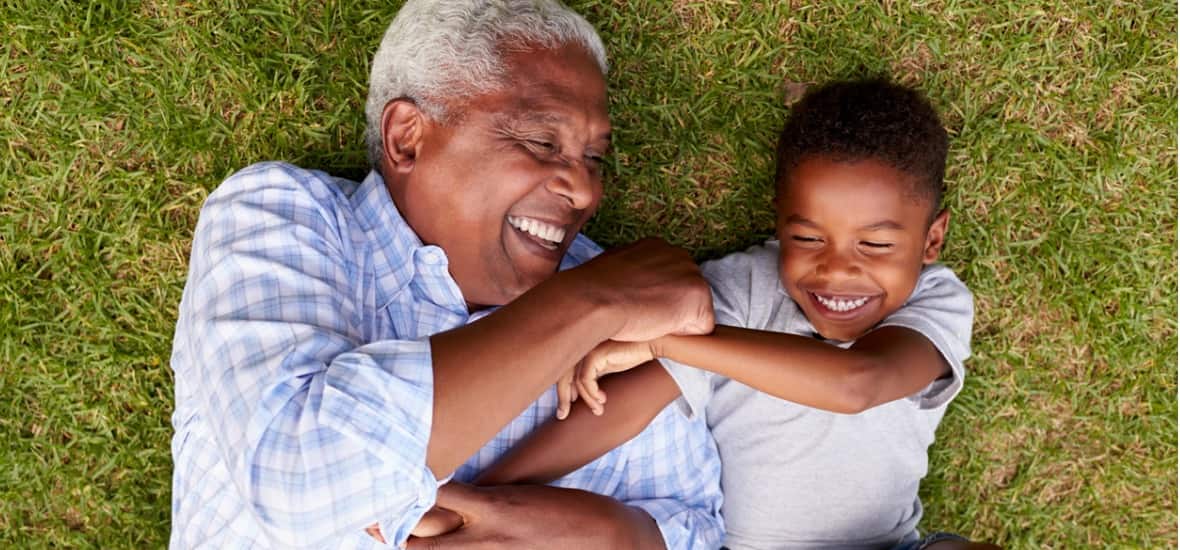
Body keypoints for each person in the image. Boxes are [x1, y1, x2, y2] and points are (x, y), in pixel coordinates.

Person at [168, 1, 724, 548]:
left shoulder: (619, 304)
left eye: (594, 158)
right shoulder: (280, 217)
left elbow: (693, 522)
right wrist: (587, 304)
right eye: (540, 142)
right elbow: (300, 482)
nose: (584, 191)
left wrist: (613, 536)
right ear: (407, 137)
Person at [475, 79, 999, 549]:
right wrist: (480, 495)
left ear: (932, 240)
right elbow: (621, 409)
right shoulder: (744, 290)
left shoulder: (934, 300)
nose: (838, 270)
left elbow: (859, 383)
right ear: (779, 225)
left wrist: (666, 340)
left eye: (877, 244)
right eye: (808, 238)